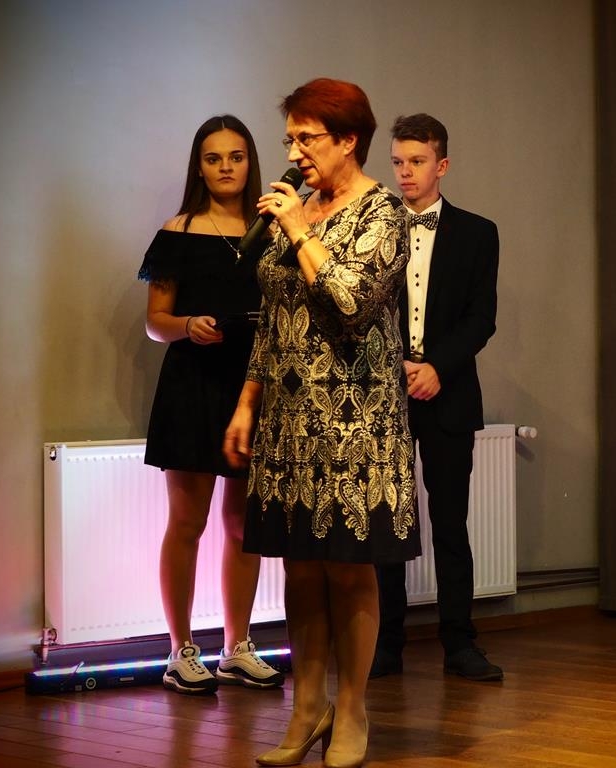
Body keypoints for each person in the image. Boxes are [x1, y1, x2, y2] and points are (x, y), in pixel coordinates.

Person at [224, 78, 419, 768]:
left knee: (348, 569)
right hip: (288, 423)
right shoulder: (297, 210)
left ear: (348, 140)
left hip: (356, 424)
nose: (294, 153)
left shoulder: (384, 212)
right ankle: (307, 709)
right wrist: (247, 402)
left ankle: (353, 709)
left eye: (307, 139)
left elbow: (350, 302)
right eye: (290, 140)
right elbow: (273, 320)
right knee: (300, 567)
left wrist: (300, 231)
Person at [138, 114, 285, 696]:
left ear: (251, 163)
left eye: (236, 156)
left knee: (244, 524)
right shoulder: (177, 230)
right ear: (198, 167)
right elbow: (155, 322)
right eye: (213, 158)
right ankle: (180, 651)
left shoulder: (275, 228)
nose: (226, 167)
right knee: (188, 521)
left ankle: (237, 648)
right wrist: (187, 325)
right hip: (192, 384)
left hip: (255, 386)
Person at [371, 113, 502, 682]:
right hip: (384, 394)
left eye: (417, 161)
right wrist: (396, 367)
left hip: (448, 394)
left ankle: (459, 644)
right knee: (386, 527)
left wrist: (436, 368)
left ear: (441, 165)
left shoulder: (478, 233)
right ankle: (385, 645)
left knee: (451, 522)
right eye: (398, 162)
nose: (405, 172)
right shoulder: (374, 229)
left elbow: (481, 318)